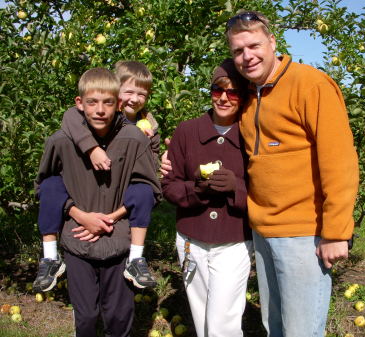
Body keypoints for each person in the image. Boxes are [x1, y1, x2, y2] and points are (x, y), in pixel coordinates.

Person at [224, 11, 360, 336]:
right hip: (263, 229)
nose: (247, 56)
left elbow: (339, 161)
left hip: (303, 232)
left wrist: (336, 231)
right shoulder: (248, 95)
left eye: (254, 45)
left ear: (272, 42)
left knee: (301, 330)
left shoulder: (310, 84)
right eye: (238, 51)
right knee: (276, 326)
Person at [35, 67, 161, 336]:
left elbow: (151, 190)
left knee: (119, 316)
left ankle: (136, 263)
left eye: (107, 103)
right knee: (87, 316)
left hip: (118, 241)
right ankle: (50, 259)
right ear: (79, 104)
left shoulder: (134, 139)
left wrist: (112, 218)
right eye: (92, 102)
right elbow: (45, 187)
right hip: (78, 240)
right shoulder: (61, 141)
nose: (100, 110)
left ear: (117, 104)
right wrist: (79, 215)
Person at [161, 59, 252, 337]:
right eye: (217, 90)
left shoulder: (253, 136)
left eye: (233, 92)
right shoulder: (187, 132)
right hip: (191, 240)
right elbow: (169, 185)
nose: (224, 98)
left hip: (233, 241)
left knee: (222, 320)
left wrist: (236, 186)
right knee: (201, 318)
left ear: (245, 95)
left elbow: (269, 191)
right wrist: (196, 189)